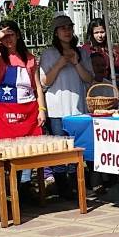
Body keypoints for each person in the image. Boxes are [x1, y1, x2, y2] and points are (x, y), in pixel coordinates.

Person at [40, 14, 93, 198]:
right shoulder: (48, 54)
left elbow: (89, 79)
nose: (67, 31)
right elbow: (44, 81)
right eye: (63, 28)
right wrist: (61, 63)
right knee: (59, 149)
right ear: (56, 32)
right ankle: (62, 187)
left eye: (69, 27)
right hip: (56, 110)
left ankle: (76, 185)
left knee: (76, 149)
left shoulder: (82, 52)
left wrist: (76, 62)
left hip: (77, 109)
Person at [0, 20, 46, 139]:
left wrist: (42, 110)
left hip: (29, 111)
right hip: (6, 112)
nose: (7, 39)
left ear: (18, 35)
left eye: (11, 34)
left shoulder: (30, 58)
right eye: (4, 36)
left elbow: (37, 86)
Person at [83, 18, 119, 84]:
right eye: (96, 33)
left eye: (102, 32)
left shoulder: (113, 49)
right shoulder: (85, 50)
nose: (100, 36)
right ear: (91, 34)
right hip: (93, 85)